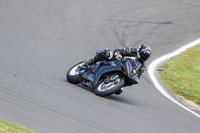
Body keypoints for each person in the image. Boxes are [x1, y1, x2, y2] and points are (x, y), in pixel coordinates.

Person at [83, 44, 152, 94]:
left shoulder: (143, 66)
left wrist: (135, 78)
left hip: (126, 73)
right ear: (139, 51)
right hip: (117, 62)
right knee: (106, 54)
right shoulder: (131, 51)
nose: (144, 57)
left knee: (119, 91)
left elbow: (138, 76)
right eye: (143, 55)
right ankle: (89, 62)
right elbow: (119, 50)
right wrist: (118, 54)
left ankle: (104, 83)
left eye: (146, 57)